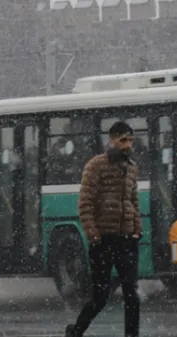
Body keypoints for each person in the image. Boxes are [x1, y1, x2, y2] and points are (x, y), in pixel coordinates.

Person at [65, 122, 143, 337]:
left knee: (132, 295)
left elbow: (133, 202)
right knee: (100, 297)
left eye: (130, 140)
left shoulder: (132, 167)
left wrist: (137, 230)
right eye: (123, 140)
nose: (127, 145)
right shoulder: (96, 165)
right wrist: (94, 235)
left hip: (127, 240)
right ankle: (76, 331)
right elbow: (85, 203)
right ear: (112, 141)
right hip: (104, 242)